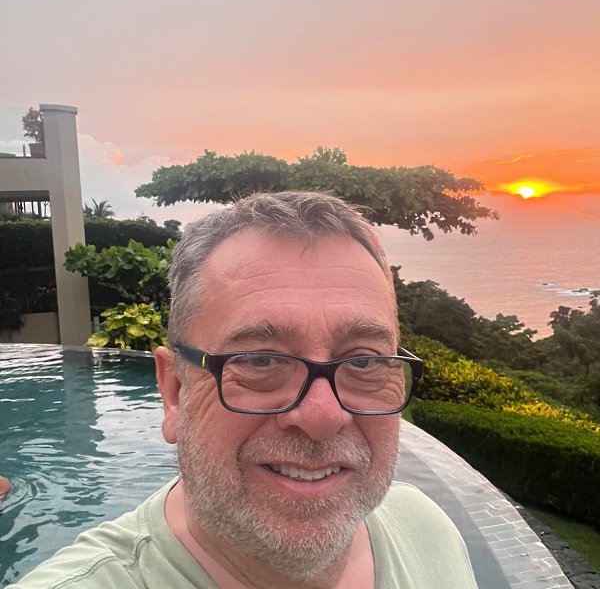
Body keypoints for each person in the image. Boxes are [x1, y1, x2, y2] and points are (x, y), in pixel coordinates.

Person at [9, 191, 477, 588]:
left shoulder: (425, 528)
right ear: (175, 391)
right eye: (259, 360)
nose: (322, 416)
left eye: (363, 362)